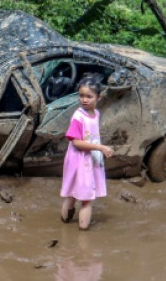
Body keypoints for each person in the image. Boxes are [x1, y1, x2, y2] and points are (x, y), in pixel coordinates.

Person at [60, 73, 114, 230]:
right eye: (81, 96)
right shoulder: (78, 117)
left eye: (89, 96)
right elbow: (76, 142)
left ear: (99, 98)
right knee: (85, 199)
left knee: (74, 194)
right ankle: (82, 237)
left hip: (89, 159)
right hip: (79, 160)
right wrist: (100, 148)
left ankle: (64, 227)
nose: (84, 99)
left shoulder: (95, 114)